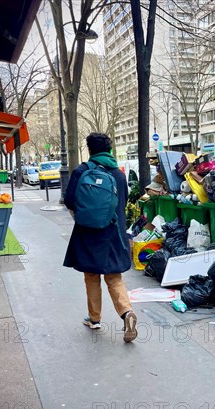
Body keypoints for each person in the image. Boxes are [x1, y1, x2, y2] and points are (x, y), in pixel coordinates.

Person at [63, 132, 138, 343]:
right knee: (114, 278)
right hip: (114, 233)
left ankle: (94, 318)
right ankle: (127, 313)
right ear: (109, 149)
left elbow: (69, 200)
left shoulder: (81, 171)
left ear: (90, 149)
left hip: (89, 231)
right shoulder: (119, 174)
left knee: (91, 276)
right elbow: (121, 204)